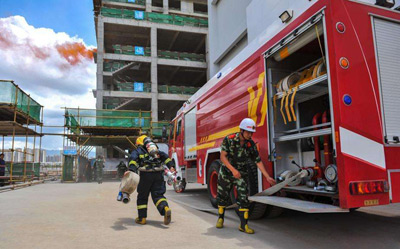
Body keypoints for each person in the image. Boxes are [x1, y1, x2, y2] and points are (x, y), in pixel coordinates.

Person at [216, 118, 276, 234]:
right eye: (248, 132)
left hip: (241, 174)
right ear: (241, 130)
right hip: (227, 173)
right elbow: (223, 157)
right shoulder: (229, 139)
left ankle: (243, 225)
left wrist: (267, 176)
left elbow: (258, 161)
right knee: (222, 196)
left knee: (243, 198)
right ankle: (220, 218)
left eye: (252, 133)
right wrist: (233, 170)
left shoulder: (250, 144)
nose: (250, 135)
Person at [126, 135, 175, 225]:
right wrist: (171, 166)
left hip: (145, 175)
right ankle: (165, 209)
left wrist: (131, 170)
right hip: (158, 174)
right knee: (158, 195)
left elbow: (133, 160)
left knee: (142, 197)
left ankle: (142, 218)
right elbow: (166, 157)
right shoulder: (156, 150)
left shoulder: (138, 151)